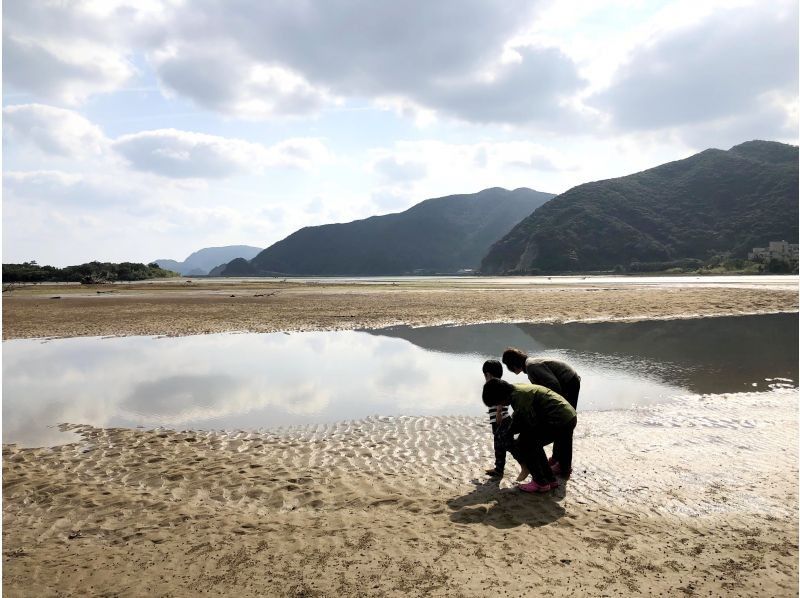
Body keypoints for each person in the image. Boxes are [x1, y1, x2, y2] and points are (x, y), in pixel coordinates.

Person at [482, 378, 576, 493]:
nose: (499, 405)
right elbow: (522, 418)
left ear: (501, 396)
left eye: (497, 402)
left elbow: (526, 422)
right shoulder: (516, 391)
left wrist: (509, 433)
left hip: (560, 420)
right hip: (566, 416)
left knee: (525, 443)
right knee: (532, 442)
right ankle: (550, 479)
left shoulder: (519, 397)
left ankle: (540, 482)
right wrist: (511, 431)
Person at [502, 348, 580, 476]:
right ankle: (556, 459)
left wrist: (552, 405)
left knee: (564, 423)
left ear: (514, 364)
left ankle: (564, 466)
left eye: (508, 366)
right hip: (568, 382)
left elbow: (553, 385)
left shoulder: (532, 366)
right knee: (562, 422)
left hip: (569, 383)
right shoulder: (530, 365)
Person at [482, 360, 529, 482]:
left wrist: (498, 413)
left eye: (485, 376)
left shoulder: (497, 386)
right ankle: (498, 469)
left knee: (508, 443)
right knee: (498, 445)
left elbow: (501, 402)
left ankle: (524, 466)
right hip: (497, 421)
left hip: (503, 419)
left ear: (488, 374)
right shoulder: (493, 385)